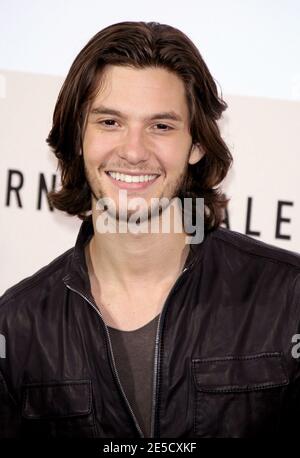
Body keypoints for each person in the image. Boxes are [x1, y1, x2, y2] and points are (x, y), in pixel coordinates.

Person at [0, 21, 299, 439]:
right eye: (109, 122)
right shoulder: (16, 327)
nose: (134, 151)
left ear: (196, 144)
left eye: (161, 126)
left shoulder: (289, 297)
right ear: (78, 138)